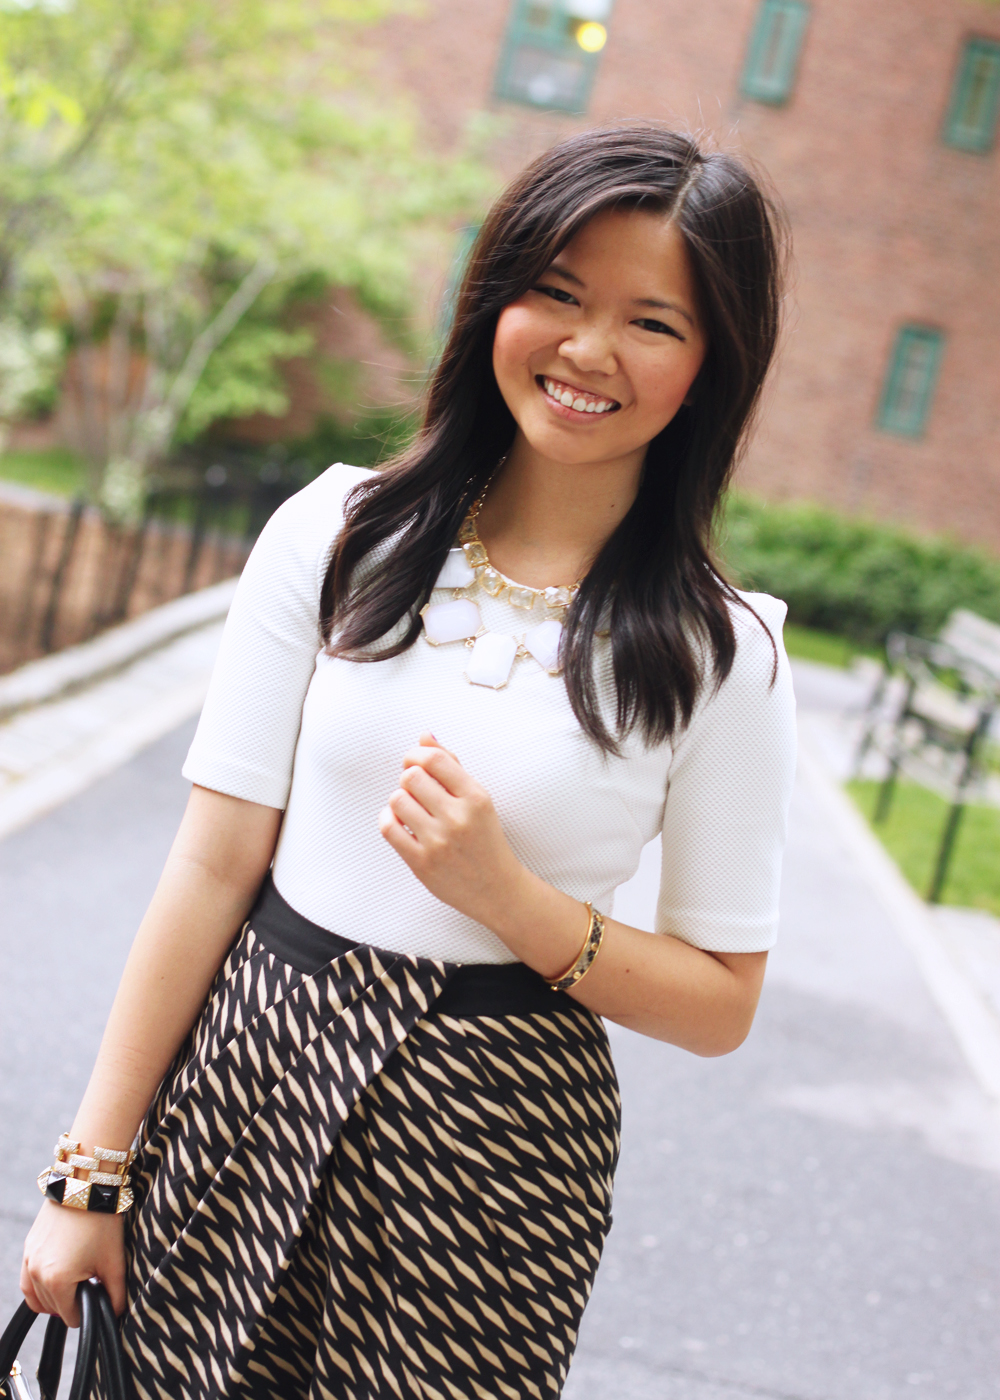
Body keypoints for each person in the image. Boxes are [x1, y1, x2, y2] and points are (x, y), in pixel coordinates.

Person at [21, 124, 796, 1400]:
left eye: (651, 321)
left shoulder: (725, 651)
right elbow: (212, 867)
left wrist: (516, 902)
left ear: (711, 365)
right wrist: (89, 1172)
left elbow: (722, 1000)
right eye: (555, 292)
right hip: (248, 1070)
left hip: (497, 1138)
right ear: (493, 300)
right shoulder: (337, 533)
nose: (587, 350)